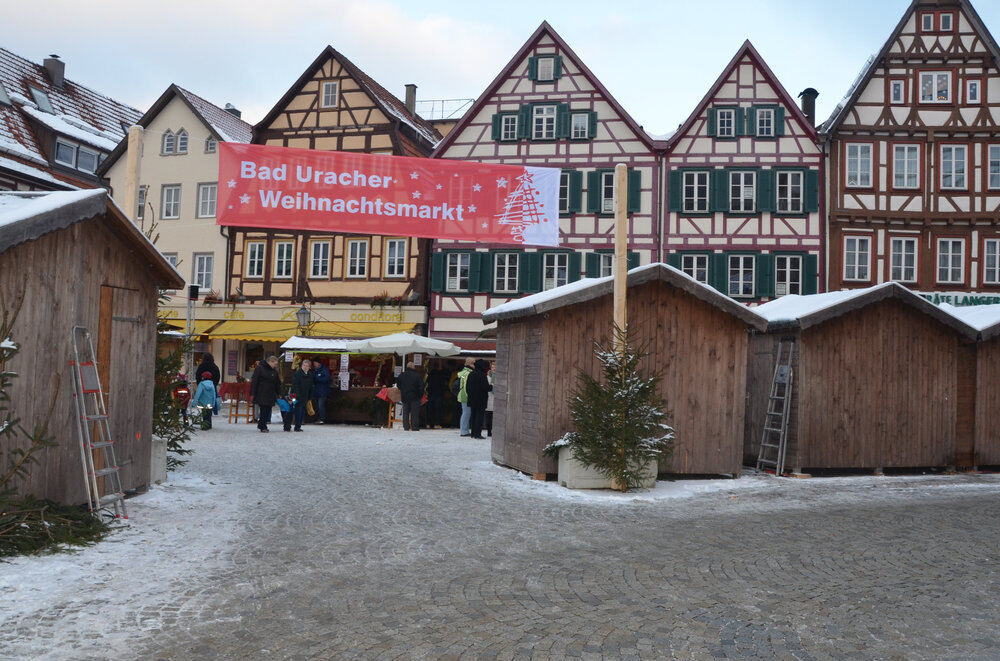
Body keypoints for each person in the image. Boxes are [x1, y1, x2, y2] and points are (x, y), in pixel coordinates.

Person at [250, 354, 281, 433]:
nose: (275, 365)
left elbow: (277, 383)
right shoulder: (260, 368)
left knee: (267, 410)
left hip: (271, 393)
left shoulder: (274, 371)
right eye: (275, 364)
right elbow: (255, 381)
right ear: (270, 362)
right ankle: (263, 426)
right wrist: (252, 393)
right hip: (261, 392)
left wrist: (279, 393)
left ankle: (261, 424)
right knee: (264, 409)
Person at [395, 361, 425, 431]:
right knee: (414, 413)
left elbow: (398, 385)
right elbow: (421, 387)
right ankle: (414, 427)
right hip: (415, 397)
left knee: (405, 413)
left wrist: (403, 390)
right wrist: (420, 396)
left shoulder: (402, 375)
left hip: (405, 396)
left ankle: (406, 427)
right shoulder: (417, 375)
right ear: (413, 367)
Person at [466, 359, 492, 439]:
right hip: (481, 399)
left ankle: (473, 433)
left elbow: (467, 387)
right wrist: (491, 386)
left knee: (473, 416)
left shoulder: (471, 374)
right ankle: (478, 434)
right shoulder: (482, 375)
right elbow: (486, 388)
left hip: (472, 399)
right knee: (479, 417)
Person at [290, 358, 314, 432]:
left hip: (305, 396)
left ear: (309, 367)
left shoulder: (310, 374)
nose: (305, 367)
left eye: (307, 366)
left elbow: (311, 386)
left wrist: (310, 396)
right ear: (301, 365)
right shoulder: (298, 373)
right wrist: (298, 395)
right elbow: (295, 385)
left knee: (302, 411)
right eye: (304, 365)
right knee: (298, 411)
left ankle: (299, 426)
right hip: (297, 396)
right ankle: (297, 426)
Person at [425, 361, 448, 429]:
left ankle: (428, 423)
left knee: (429, 409)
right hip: (439, 394)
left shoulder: (430, 375)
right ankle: (437, 424)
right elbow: (443, 385)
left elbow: (427, 384)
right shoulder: (441, 375)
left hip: (430, 394)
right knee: (438, 410)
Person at [455, 358, 474, 437]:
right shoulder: (467, 373)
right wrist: (469, 395)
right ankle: (464, 431)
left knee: (465, 413)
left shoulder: (463, 372)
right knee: (466, 413)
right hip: (465, 395)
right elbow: (466, 386)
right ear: (470, 364)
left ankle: (464, 430)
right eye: (474, 363)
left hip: (462, 394)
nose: (474, 365)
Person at [312, 358, 331, 424]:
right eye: (313, 363)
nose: (314, 364)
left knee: (321, 406)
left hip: (323, 391)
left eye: (315, 363)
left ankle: (322, 419)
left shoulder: (324, 370)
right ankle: (319, 418)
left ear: (318, 363)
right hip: (317, 391)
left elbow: (326, 379)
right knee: (318, 406)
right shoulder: (315, 370)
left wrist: (317, 378)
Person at [485, 362, 495, 437]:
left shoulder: (501, 376)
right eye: (493, 367)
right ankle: (489, 431)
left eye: (495, 367)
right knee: (489, 416)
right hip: (489, 397)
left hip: (498, 399)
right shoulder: (487, 377)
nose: (494, 368)